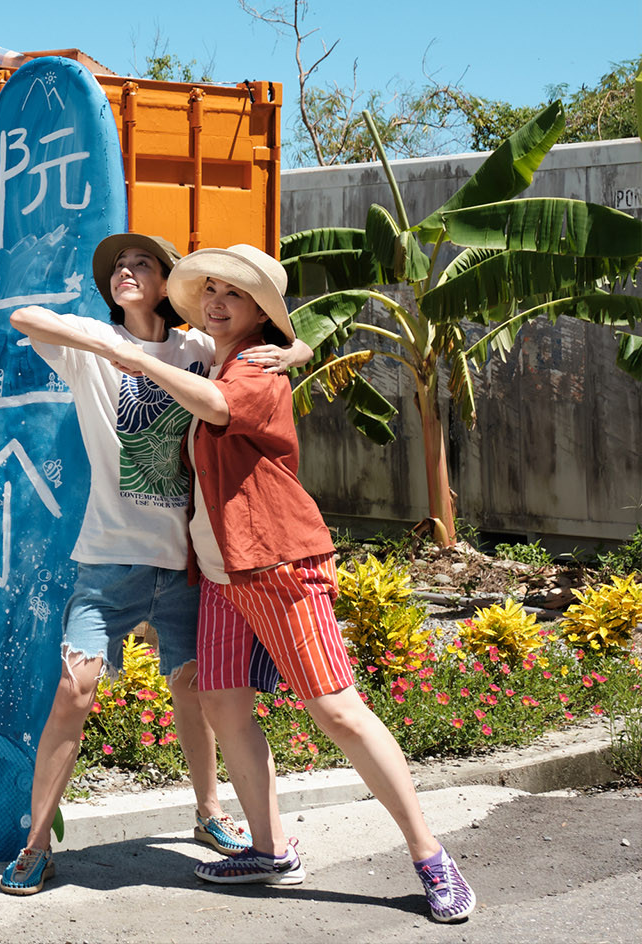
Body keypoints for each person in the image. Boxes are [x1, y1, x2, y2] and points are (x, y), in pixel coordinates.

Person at [101, 242, 475, 923]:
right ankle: (271, 849)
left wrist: (140, 362)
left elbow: (217, 404)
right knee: (223, 707)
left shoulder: (253, 371)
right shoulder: (220, 355)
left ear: (262, 314)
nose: (215, 302)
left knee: (337, 711)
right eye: (210, 290)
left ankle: (430, 855)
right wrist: (300, 349)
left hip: (276, 565)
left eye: (233, 295)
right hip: (220, 574)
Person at [0, 234, 308, 895]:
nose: (124, 273)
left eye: (141, 264)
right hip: (109, 561)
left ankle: (209, 812)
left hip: (188, 560)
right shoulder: (90, 344)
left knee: (194, 690)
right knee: (74, 690)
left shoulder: (198, 349)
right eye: (116, 268)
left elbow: (275, 351)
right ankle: (34, 843)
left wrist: (299, 348)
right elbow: (22, 318)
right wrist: (107, 347)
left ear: (169, 282)